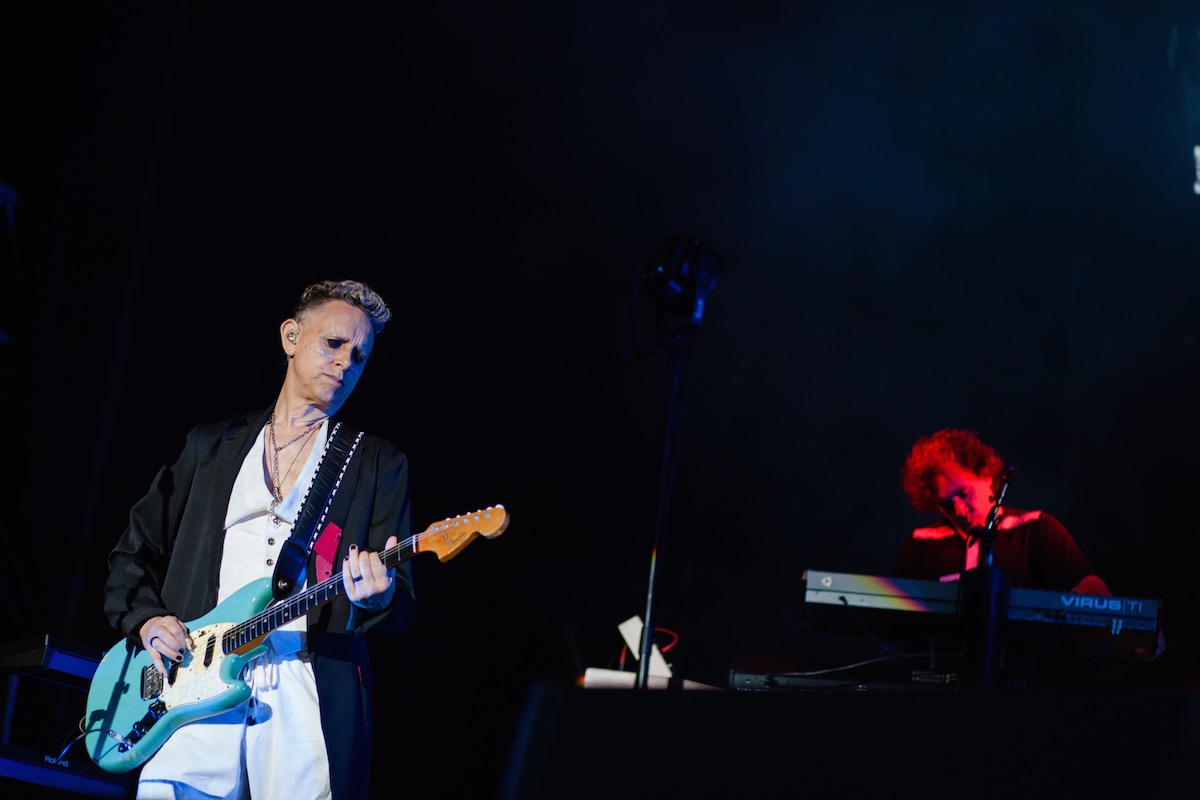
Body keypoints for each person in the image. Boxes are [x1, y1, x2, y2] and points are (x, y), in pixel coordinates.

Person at [103, 279, 416, 799]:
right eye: (333, 343)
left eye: (360, 356)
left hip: (304, 689)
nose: (346, 362)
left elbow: (400, 600)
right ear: (291, 336)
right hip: (193, 679)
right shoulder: (211, 447)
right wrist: (147, 620)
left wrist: (378, 597)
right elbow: (132, 555)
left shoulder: (377, 464)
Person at [894, 427, 1110, 595]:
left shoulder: (1035, 529)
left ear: (986, 475)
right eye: (947, 505)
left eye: (964, 493)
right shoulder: (922, 545)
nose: (959, 510)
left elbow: (1094, 593)